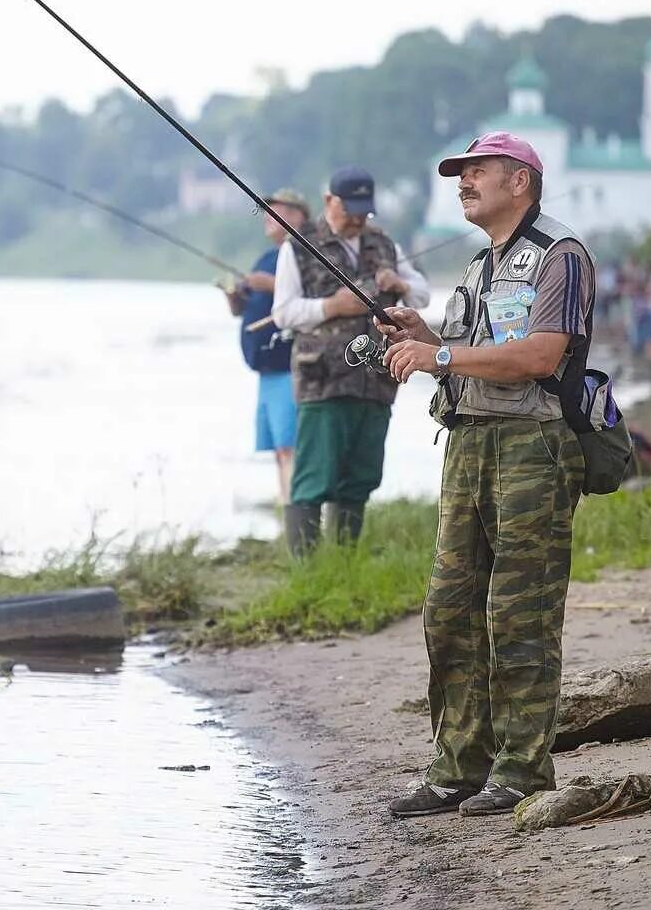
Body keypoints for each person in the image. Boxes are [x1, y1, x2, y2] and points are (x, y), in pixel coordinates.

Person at [375, 131, 595, 819]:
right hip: (468, 446)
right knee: (449, 611)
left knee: (519, 613)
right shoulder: (478, 264)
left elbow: (536, 357)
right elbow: (471, 355)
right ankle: (457, 769)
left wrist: (440, 359)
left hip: (534, 447)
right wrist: (426, 336)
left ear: (520, 181)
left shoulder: (560, 256)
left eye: (477, 172)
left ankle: (523, 770)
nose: (464, 183)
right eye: (459, 174)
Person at [269, 167, 428, 555]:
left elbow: (422, 295)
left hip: (377, 378)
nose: (358, 219)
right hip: (323, 378)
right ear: (329, 202)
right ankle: (307, 570)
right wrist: (331, 306)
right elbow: (283, 312)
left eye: (364, 211)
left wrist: (401, 284)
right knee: (313, 477)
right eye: (350, 209)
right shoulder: (298, 245)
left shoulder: (385, 243)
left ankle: (344, 561)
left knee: (361, 475)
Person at [223, 188, 310, 515]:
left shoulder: (305, 251)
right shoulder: (265, 258)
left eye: (275, 209)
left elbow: (309, 294)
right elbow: (243, 308)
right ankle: (286, 503)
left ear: (298, 214)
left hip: (290, 365)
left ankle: (297, 512)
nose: (267, 216)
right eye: (266, 210)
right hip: (266, 371)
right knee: (279, 447)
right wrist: (236, 297)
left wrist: (269, 284)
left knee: (291, 445)